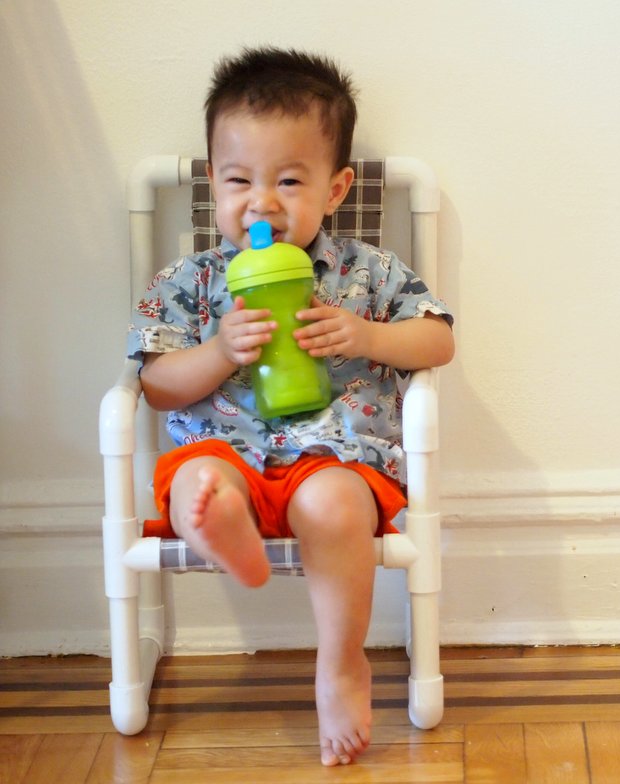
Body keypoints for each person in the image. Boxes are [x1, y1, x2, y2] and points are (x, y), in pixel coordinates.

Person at [127, 46, 455, 767]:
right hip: (224, 453)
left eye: (287, 181)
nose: (261, 203)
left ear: (334, 190)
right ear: (213, 179)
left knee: (335, 506)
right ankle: (226, 528)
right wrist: (219, 350)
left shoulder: (366, 273)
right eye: (239, 180)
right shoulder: (192, 281)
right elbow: (155, 385)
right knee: (194, 485)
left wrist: (366, 333)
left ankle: (341, 662)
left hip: (330, 456)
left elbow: (437, 341)